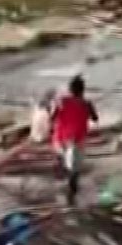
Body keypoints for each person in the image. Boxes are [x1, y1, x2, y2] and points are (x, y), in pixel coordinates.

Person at [49, 76, 97, 204]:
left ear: (70, 89)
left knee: (63, 159)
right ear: (83, 90)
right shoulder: (86, 103)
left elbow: (52, 117)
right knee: (75, 167)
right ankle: (72, 191)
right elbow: (95, 118)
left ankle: (64, 184)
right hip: (77, 138)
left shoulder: (61, 101)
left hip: (61, 137)